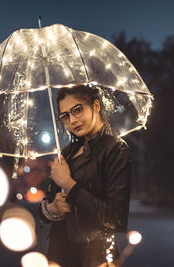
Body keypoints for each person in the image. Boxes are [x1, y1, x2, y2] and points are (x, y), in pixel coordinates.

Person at [39, 84, 131, 267]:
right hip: (59, 254)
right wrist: (51, 209)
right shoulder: (65, 154)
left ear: (96, 106)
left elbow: (115, 217)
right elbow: (46, 206)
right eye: (65, 115)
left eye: (78, 110)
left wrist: (68, 183)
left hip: (95, 256)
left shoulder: (115, 149)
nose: (72, 120)